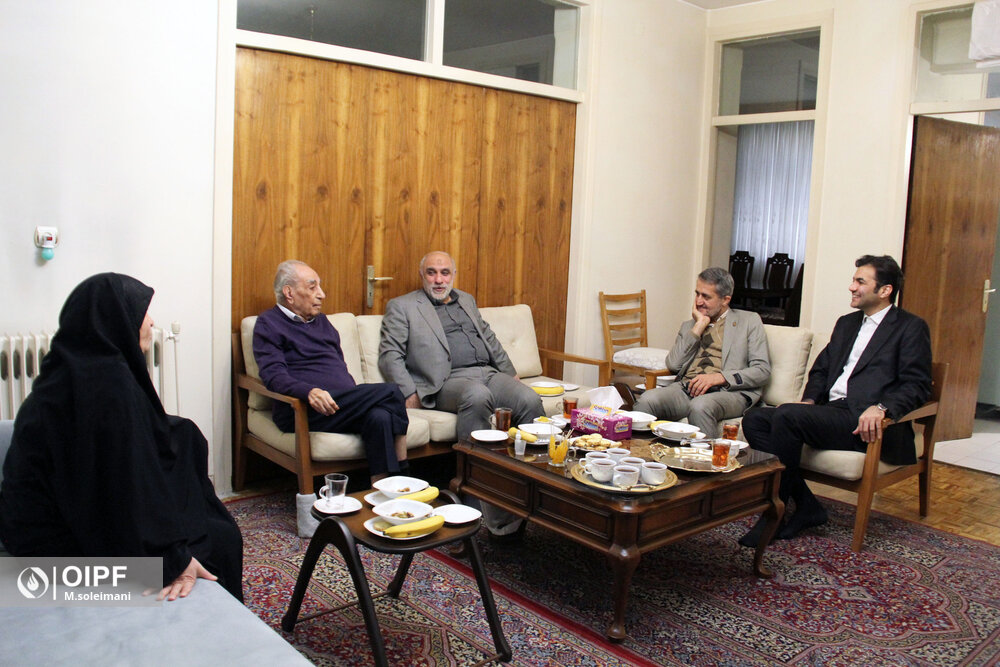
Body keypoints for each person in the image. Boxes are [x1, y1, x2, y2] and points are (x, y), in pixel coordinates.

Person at [0, 273, 243, 601]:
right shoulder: (109, 386)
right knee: (219, 538)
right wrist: (170, 560)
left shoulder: (67, 368)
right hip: (58, 551)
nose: (151, 321)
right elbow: (120, 485)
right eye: (143, 312)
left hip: (32, 529)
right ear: (116, 318)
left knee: (183, 435)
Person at [739, 255, 932, 546]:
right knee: (755, 418)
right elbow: (821, 369)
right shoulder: (847, 324)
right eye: (853, 280)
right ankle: (807, 505)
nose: (851, 287)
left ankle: (773, 514)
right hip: (833, 412)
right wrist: (810, 401)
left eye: (860, 281)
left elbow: (917, 385)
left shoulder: (910, 327)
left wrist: (882, 408)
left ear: (884, 290)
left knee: (786, 416)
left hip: (866, 423)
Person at [378, 250, 543, 538]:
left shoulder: (466, 300)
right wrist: (408, 392)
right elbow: (390, 354)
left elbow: (488, 338)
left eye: (445, 273)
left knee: (528, 399)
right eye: (432, 273)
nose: (439, 279)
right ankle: (472, 497)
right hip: (446, 382)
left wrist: (511, 374)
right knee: (477, 395)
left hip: (488, 373)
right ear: (422, 275)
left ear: (453, 275)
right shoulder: (403, 306)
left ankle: (531, 493)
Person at [253, 260, 410, 483]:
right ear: (289, 293)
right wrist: (309, 391)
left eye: (319, 287)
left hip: (340, 405)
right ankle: (404, 474)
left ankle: (380, 490)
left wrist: (354, 397)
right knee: (392, 391)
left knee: (380, 416)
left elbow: (338, 364)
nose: (322, 294)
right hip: (302, 409)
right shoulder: (268, 324)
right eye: (312, 287)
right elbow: (273, 376)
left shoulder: (322, 321)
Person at [633, 267, 771, 438]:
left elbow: (762, 371)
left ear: (725, 300)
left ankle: (704, 455)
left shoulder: (748, 321)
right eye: (697, 294)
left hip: (728, 392)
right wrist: (698, 326)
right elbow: (673, 364)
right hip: (687, 389)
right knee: (647, 400)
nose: (698, 301)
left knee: (700, 406)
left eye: (706, 297)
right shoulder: (690, 325)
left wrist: (720, 377)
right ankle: (642, 453)